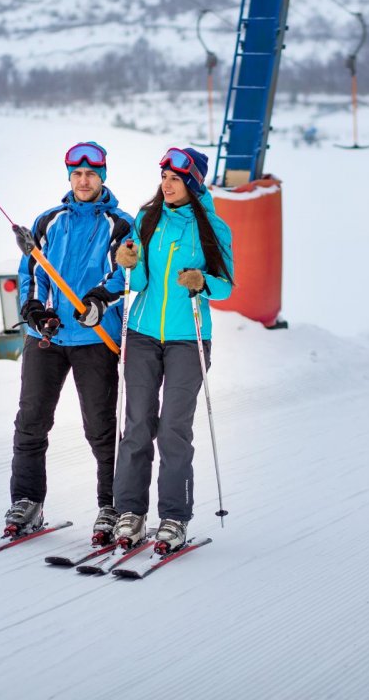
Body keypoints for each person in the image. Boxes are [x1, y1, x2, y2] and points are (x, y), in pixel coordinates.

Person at [95, 147, 233, 553]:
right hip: (140, 333)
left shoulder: (212, 227)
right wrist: (128, 260)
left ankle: (174, 516)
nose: (167, 185)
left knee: (173, 428)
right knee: (137, 425)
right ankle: (130, 512)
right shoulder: (146, 218)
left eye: (175, 179)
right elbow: (137, 282)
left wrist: (202, 280)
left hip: (188, 338)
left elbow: (225, 285)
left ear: (191, 183)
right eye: (164, 178)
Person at [4, 141, 135, 544]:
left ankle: (110, 505)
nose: (83, 180)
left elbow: (124, 273)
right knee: (31, 422)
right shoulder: (48, 221)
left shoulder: (121, 223)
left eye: (91, 174)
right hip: (47, 336)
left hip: (95, 336)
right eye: (77, 174)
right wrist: (33, 307)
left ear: (103, 177)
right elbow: (33, 272)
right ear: (69, 177)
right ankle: (28, 501)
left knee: (100, 426)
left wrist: (99, 298)